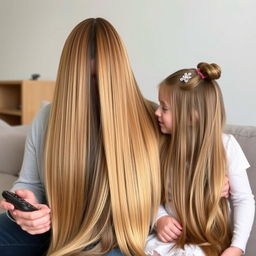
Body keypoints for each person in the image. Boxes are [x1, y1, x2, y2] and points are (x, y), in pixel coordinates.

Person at [0, 18, 161, 256]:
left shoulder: (152, 116)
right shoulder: (48, 117)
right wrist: (27, 209)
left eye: (99, 79)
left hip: (119, 239)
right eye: (83, 80)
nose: (93, 90)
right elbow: (30, 182)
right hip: (59, 230)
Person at [144, 62, 255, 256]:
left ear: (190, 117)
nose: (157, 113)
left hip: (207, 242)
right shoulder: (162, 146)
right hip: (171, 239)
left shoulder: (225, 146)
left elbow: (243, 199)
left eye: (165, 108)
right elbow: (149, 193)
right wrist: (160, 217)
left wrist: (237, 247)